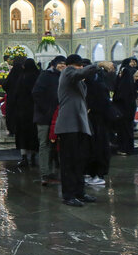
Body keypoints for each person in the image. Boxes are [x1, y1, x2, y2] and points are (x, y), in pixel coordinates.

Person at [54, 55, 98, 206]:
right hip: (68, 126)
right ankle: (68, 195)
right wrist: (98, 65)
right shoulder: (67, 72)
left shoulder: (77, 81)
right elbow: (80, 73)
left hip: (79, 125)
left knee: (79, 161)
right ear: (76, 66)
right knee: (68, 162)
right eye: (81, 67)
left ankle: (79, 192)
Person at [84, 61, 117, 186]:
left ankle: (95, 174)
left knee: (96, 148)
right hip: (97, 121)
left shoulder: (93, 86)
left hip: (96, 121)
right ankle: (94, 173)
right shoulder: (97, 85)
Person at [32, 56, 64, 184]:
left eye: (64, 64)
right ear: (54, 64)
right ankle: (45, 173)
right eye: (60, 64)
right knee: (45, 144)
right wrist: (47, 110)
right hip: (45, 118)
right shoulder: (45, 76)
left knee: (55, 145)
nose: (62, 66)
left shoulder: (63, 76)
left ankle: (53, 172)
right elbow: (36, 93)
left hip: (58, 117)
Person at [112, 59, 138, 156]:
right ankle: (127, 148)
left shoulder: (125, 85)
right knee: (126, 130)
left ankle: (124, 148)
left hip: (124, 113)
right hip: (126, 113)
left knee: (125, 130)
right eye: (136, 76)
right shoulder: (127, 86)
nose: (137, 78)